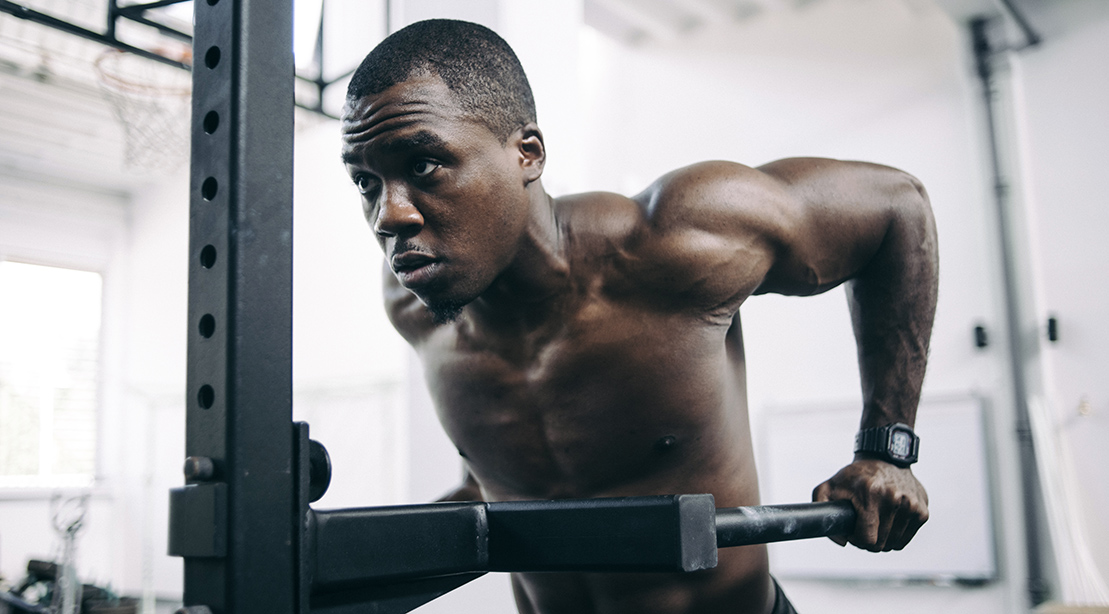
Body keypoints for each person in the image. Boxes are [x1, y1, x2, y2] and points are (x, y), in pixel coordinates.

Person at [340, 18, 937, 614]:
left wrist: (887, 450)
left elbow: (895, 208)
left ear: (527, 154)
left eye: (422, 165)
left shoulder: (674, 242)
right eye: (367, 181)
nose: (387, 216)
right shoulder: (414, 307)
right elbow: (521, 479)